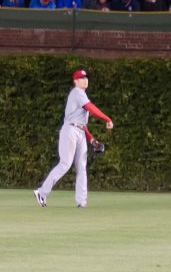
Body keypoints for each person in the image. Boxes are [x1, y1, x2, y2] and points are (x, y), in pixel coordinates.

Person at [34, 69, 114, 208]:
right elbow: (91, 108)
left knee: (81, 167)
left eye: (86, 78)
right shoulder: (77, 93)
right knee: (65, 163)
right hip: (70, 130)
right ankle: (42, 192)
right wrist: (106, 118)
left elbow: (82, 124)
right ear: (75, 81)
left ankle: (81, 201)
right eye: (82, 78)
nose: (85, 80)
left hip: (79, 131)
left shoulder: (82, 94)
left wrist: (91, 140)